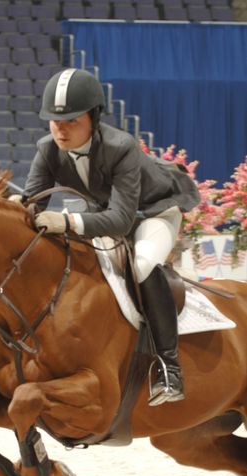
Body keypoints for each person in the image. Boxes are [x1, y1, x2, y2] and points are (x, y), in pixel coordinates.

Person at [14, 68, 201, 406]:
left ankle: (169, 369)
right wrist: (9, 213)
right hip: (109, 214)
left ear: (94, 117)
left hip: (154, 212)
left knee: (143, 264)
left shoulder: (121, 146)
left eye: (71, 120)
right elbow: (32, 203)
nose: (60, 128)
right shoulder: (47, 148)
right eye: (54, 121)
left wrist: (67, 220)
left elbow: (120, 220)